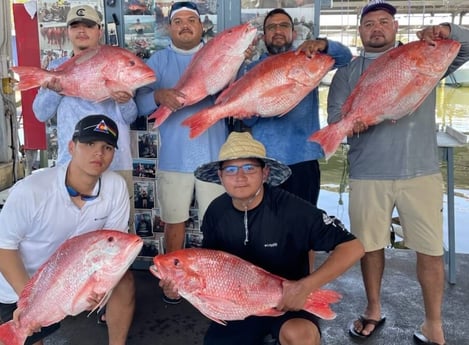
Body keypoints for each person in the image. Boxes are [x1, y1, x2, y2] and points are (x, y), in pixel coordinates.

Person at [326, 1, 469, 344]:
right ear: (360, 31)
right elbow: (335, 122)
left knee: (430, 250)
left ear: (395, 26)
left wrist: (447, 31)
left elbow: (464, 45)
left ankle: (433, 323)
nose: (376, 28)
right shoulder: (347, 72)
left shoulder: (425, 56)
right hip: (367, 174)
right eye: (369, 23)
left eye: (384, 21)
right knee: (369, 247)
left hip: (420, 172)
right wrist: (353, 125)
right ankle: (373, 308)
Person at [160, 131, 364, 345]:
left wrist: (305, 287)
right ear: (220, 177)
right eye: (230, 169)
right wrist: (177, 291)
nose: (240, 177)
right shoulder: (215, 212)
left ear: (265, 173)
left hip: (289, 302)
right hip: (237, 304)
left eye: (249, 168)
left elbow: (353, 247)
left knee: (301, 336)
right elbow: (209, 271)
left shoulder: (292, 209)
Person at [0, 115, 136, 345]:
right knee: (25, 334)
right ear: (71, 147)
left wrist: (101, 287)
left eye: (107, 147)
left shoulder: (115, 187)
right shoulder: (32, 190)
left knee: (124, 281)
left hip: (75, 278)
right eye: (89, 144)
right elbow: (4, 248)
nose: (99, 153)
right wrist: (28, 301)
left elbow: (113, 250)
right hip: (19, 284)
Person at [241, 8, 352, 272]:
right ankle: (267, 285)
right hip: (264, 163)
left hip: (303, 160)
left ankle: (304, 286)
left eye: (283, 25)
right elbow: (247, 121)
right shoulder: (252, 69)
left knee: (305, 226)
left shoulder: (310, 58)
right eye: (271, 27)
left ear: (293, 32)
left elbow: (345, 57)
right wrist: (256, 108)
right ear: (264, 35)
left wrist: (323, 43)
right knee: (263, 226)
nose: (277, 31)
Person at [134, 1, 226, 289]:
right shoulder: (158, 61)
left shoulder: (218, 55)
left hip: (215, 157)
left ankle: (214, 283)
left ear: (201, 26)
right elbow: (137, 103)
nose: (185, 25)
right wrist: (158, 96)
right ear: (169, 27)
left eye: (191, 20)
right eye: (178, 21)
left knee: (220, 223)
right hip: (174, 158)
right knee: (175, 223)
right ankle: (173, 282)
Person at [33, 4, 137, 232]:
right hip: (70, 165)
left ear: (99, 30)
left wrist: (124, 100)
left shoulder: (117, 63)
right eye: (75, 26)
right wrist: (54, 90)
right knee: (68, 232)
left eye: (88, 26)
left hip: (116, 163)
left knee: (116, 235)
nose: (82, 31)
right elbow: (40, 113)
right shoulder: (56, 67)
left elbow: (130, 117)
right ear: (67, 31)